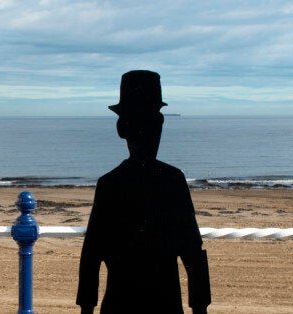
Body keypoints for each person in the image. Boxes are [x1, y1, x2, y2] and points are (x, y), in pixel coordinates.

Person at [76, 70, 211, 313]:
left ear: (120, 128)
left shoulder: (111, 183)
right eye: (147, 122)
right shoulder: (171, 180)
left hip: (122, 305)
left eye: (154, 121)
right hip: (164, 305)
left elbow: (91, 256)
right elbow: (193, 254)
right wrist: (200, 307)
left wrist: (87, 308)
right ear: (123, 128)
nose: (153, 130)